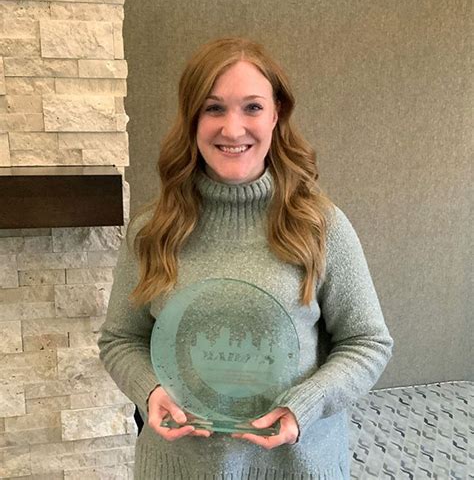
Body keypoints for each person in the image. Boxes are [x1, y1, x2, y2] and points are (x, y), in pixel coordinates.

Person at [98, 37, 394, 479]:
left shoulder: (320, 225)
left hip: (296, 466)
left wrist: (304, 406)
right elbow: (120, 339)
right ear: (191, 119)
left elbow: (368, 342)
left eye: (251, 107)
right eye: (213, 108)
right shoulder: (151, 229)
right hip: (181, 468)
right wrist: (150, 389)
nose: (232, 129)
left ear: (277, 114)